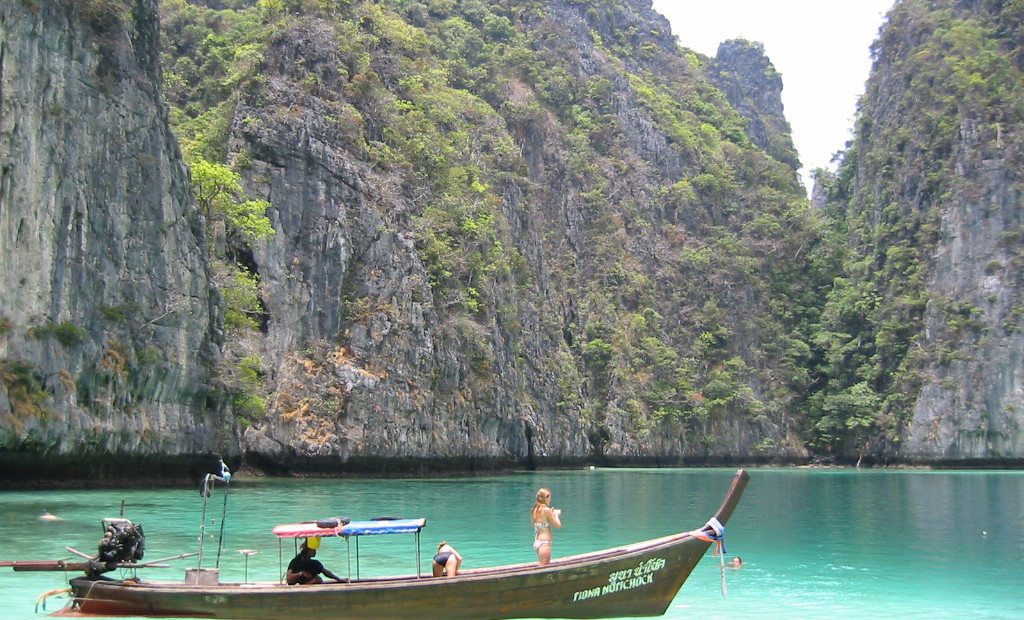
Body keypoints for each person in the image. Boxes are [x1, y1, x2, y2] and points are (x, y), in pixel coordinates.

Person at [531, 488, 562, 566]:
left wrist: (550, 515)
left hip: (538, 541)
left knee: (542, 566)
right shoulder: (546, 510)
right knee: (543, 568)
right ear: (544, 498)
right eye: (549, 498)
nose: (550, 500)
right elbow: (557, 525)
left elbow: (534, 524)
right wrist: (556, 515)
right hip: (545, 543)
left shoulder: (534, 509)